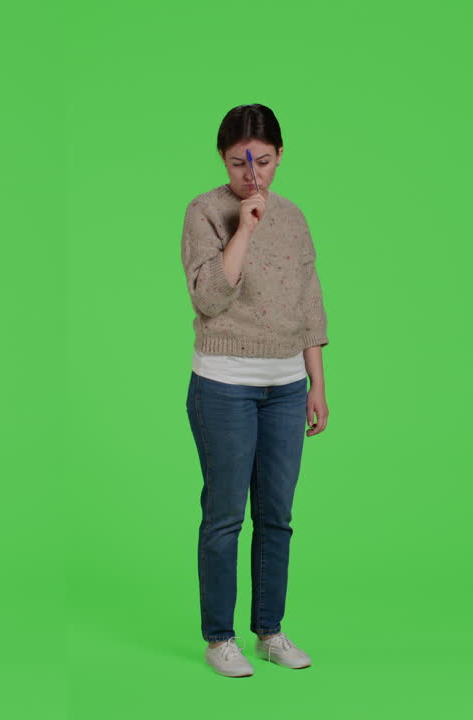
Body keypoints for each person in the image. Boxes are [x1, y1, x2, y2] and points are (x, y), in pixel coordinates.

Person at [181, 103, 328, 677]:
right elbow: (209, 296)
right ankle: (219, 636)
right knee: (224, 515)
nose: (254, 176)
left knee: (277, 514)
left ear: (279, 155)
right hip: (224, 386)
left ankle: (269, 630)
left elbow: (309, 303)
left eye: (264, 162)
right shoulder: (204, 212)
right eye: (242, 164)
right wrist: (246, 224)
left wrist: (317, 382)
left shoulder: (295, 218)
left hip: (287, 385)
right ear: (223, 159)